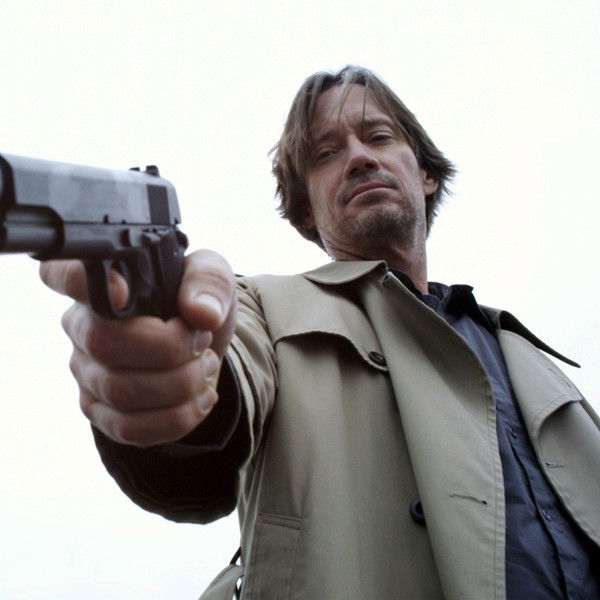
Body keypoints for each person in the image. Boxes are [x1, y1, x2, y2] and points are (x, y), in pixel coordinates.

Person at [40, 66, 599, 600]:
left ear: (426, 174)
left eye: (378, 136)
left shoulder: (530, 358)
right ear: (306, 210)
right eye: (326, 154)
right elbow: (206, 419)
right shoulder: (261, 306)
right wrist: (171, 372)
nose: (359, 158)